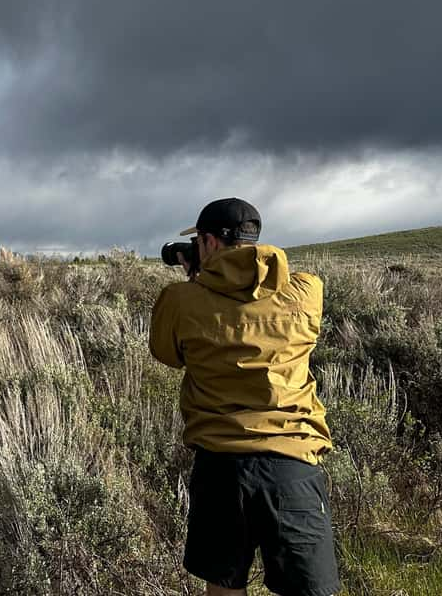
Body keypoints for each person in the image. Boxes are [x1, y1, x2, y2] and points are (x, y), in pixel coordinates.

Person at [149, 198, 340, 596]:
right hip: (293, 463)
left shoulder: (181, 300)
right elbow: (274, 284)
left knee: (224, 585)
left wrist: (197, 280)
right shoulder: (306, 292)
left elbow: (167, 354)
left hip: (220, 466)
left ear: (209, 243)